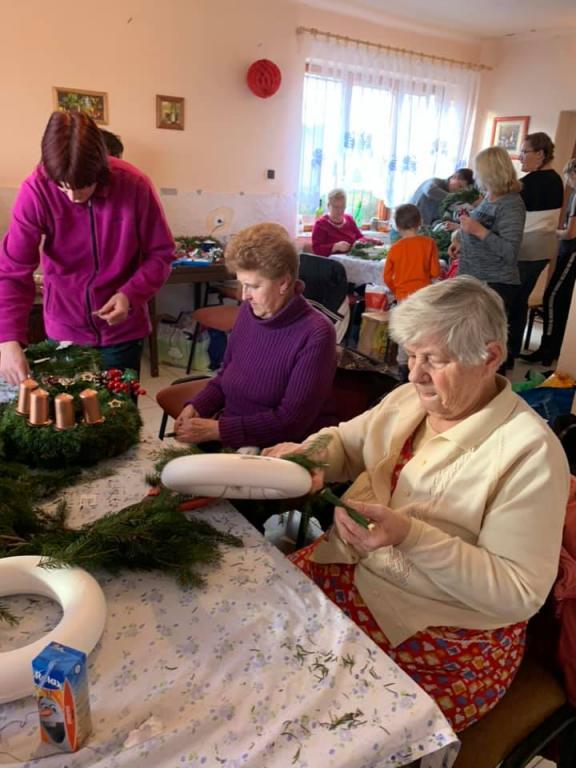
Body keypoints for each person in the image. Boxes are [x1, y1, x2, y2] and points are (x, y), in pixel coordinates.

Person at [265, 276, 569, 732]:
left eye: (434, 360)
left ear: (490, 357)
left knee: (318, 721)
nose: (414, 374)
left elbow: (518, 592)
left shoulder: (530, 453)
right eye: (411, 355)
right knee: (260, 640)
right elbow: (349, 443)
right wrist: (309, 455)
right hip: (352, 572)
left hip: (440, 633)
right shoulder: (411, 398)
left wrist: (410, 536)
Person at [0, 111, 174, 383]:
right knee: (70, 418)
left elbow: (161, 254)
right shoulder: (35, 191)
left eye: (83, 187)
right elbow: (12, 270)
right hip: (64, 329)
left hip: (122, 331)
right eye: (63, 187)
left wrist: (130, 294)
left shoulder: (134, 184)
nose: (73, 197)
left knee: (119, 419)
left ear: (102, 168)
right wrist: (7, 338)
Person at [173, 223, 337, 449]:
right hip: (232, 436)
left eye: (252, 286)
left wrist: (217, 430)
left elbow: (291, 422)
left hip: (277, 452)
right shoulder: (248, 313)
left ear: (284, 283)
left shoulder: (316, 334)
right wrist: (197, 406)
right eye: (241, 285)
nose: (243, 296)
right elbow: (225, 376)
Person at [457, 146, 525, 368]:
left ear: (490, 172)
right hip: (474, 277)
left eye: (478, 171)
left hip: (496, 282)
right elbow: (480, 232)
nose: (475, 176)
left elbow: (509, 251)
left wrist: (477, 230)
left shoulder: (512, 204)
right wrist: (460, 241)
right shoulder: (490, 197)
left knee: (488, 346)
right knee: (472, 342)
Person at [509, 132, 564, 359]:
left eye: (524, 152)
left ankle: (507, 353)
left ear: (540, 154)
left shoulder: (528, 184)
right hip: (543, 250)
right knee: (520, 300)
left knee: (511, 301)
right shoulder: (556, 180)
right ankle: (511, 351)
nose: (520, 157)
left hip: (527, 248)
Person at [521, 158, 576, 365]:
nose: (567, 181)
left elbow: (571, 233)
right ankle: (551, 348)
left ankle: (548, 348)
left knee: (553, 298)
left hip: (571, 251)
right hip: (567, 250)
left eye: (568, 176)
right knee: (558, 300)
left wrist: (553, 231)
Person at [383, 204, 440, 301]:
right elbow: (435, 272)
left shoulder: (395, 248)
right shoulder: (429, 243)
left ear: (397, 226)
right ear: (420, 222)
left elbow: (387, 277)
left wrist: (396, 290)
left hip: (402, 295)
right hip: (423, 294)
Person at [311, 188, 379, 257]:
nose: (340, 210)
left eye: (342, 207)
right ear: (328, 206)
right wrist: (335, 247)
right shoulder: (321, 224)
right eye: (336, 207)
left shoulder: (349, 219)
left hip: (351, 260)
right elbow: (316, 249)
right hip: (331, 264)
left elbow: (360, 237)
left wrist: (373, 241)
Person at [410, 168, 474, 226]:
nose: (459, 191)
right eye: (460, 186)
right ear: (454, 177)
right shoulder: (436, 181)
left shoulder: (448, 196)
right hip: (409, 222)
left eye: (462, 190)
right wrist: (454, 200)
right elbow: (429, 190)